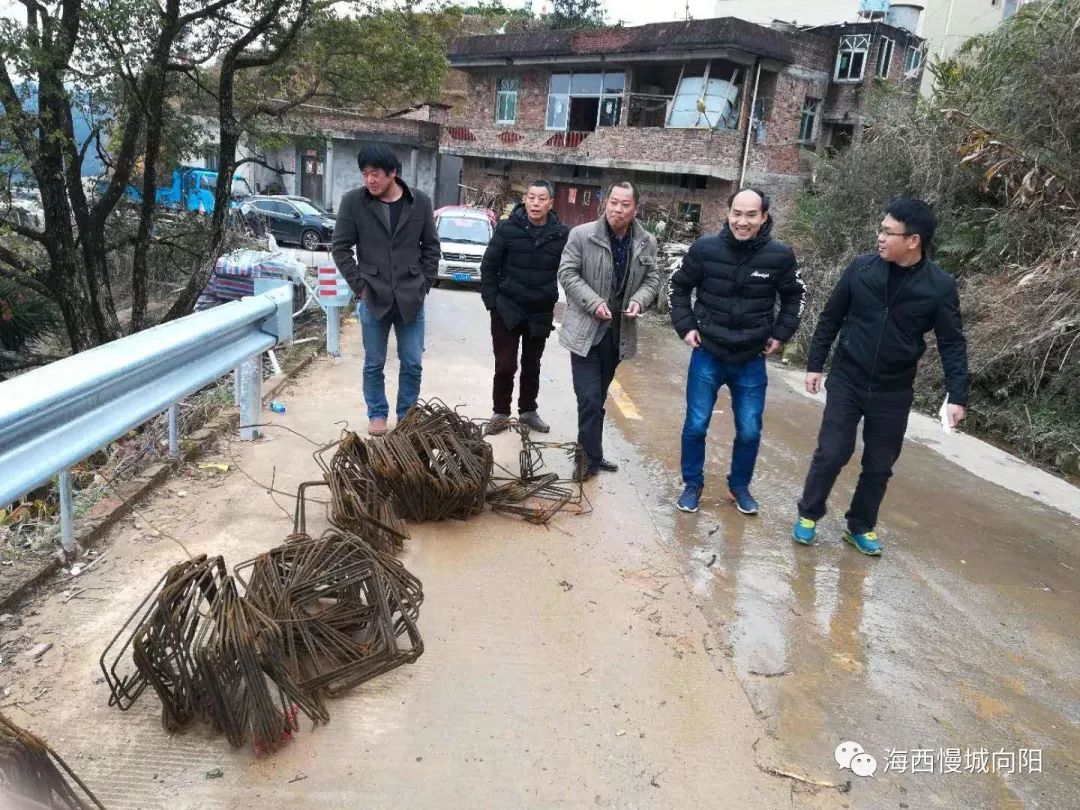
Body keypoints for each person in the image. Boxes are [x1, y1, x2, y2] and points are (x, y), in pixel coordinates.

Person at [792, 197, 968, 556]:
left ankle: (860, 525)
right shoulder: (861, 269)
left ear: (913, 240)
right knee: (832, 452)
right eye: (881, 230)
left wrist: (957, 395)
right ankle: (809, 514)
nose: (880, 237)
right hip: (848, 377)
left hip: (894, 389)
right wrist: (815, 364)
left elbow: (952, 343)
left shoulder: (939, 286)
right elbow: (831, 318)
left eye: (888, 232)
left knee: (879, 464)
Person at [669, 188, 805, 515]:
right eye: (736, 213)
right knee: (696, 424)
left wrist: (780, 334)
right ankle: (692, 484)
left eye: (750, 215)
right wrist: (686, 326)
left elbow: (794, 298)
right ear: (728, 213)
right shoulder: (705, 249)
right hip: (708, 352)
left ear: (764, 218)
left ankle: (739, 485)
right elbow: (679, 286)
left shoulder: (780, 256)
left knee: (749, 429)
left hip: (751, 358)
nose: (742, 222)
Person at [331, 144, 440, 436]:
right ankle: (377, 413)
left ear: (393, 173)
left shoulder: (420, 202)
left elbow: (431, 248)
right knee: (373, 362)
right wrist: (360, 287)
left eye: (375, 174)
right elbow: (340, 248)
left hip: (410, 298)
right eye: (365, 174)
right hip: (373, 297)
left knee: (413, 362)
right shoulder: (353, 202)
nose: (369, 180)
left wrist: (424, 285)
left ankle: (407, 416)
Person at [558, 181, 660, 480]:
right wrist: (594, 303)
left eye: (624, 204)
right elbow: (567, 273)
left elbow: (652, 279)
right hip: (586, 331)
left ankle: (593, 453)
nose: (617, 209)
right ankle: (585, 458)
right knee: (588, 398)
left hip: (617, 335)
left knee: (598, 398)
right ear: (606, 203)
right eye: (613, 202)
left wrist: (640, 300)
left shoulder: (646, 241)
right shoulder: (582, 235)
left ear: (635, 208)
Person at [480, 180, 570, 435]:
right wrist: (492, 303)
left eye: (542, 199)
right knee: (506, 365)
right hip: (506, 308)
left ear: (551, 203)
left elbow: (571, 270)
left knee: (533, 365)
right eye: (531, 197)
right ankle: (500, 412)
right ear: (525, 200)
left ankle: (528, 411)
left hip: (540, 310)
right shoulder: (508, 228)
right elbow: (488, 267)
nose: (535, 203)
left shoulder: (561, 234)